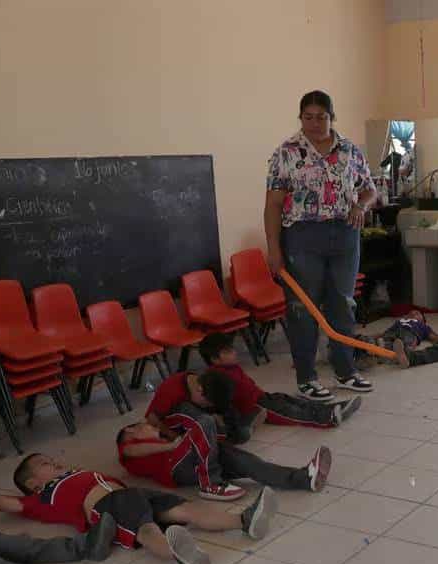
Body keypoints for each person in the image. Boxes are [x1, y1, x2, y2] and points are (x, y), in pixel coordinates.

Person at [0, 454, 276, 564]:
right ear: (33, 483)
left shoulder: (74, 473)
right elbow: (1, 502)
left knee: (186, 509)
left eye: (50, 458)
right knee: (146, 528)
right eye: (42, 464)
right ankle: (175, 552)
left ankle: (243, 521)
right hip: (109, 506)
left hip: (134, 494)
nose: (51, 461)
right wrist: (22, 496)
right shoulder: (41, 497)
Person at [265, 89, 377, 402]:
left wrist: (361, 207)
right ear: (300, 118)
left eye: (322, 117)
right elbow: (273, 205)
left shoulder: (350, 151)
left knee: (343, 302)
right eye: (308, 117)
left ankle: (345, 370)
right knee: (303, 308)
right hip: (303, 236)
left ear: (332, 117)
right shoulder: (286, 153)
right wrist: (274, 250)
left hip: (345, 234)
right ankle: (307, 378)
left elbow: (369, 190)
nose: (315, 123)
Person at [199, 332, 361, 431]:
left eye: (232, 349)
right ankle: (328, 419)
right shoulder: (216, 377)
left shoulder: (231, 367)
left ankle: (333, 407)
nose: (234, 353)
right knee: (291, 413)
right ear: (214, 359)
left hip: (262, 397)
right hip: (256, 407)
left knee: (294, 401)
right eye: (228, 351)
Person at [118, 421, 331, 493]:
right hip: (178, 469)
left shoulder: (162, 444)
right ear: (131, 430)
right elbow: (132, 452)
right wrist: (173, 446)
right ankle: (211, 482)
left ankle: (304, 478)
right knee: (205, 422)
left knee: (249, 464)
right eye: (147, 426)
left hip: (198, 461)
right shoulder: (128, 447)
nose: (153, 427)